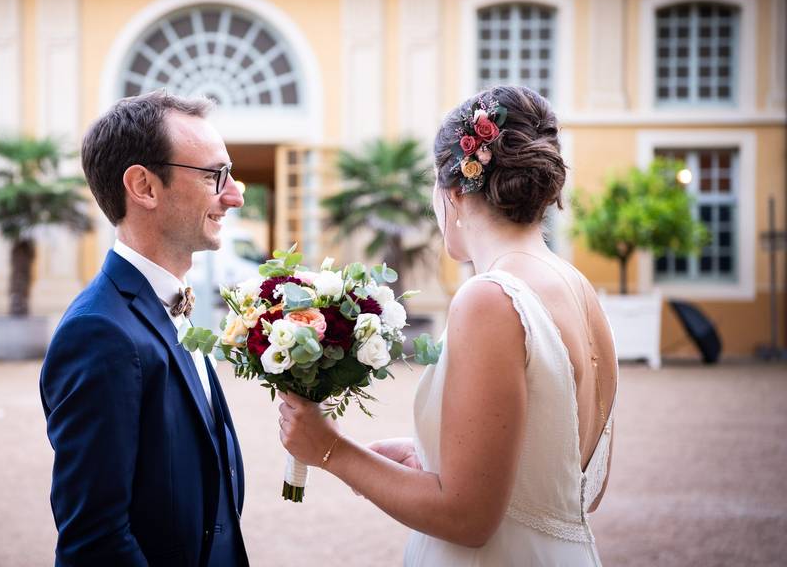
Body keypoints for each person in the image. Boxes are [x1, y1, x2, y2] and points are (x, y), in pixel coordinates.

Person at [278, 85, 618, 566]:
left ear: (453, 191)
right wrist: (431, 458)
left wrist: (329, 449)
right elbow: (576, 487)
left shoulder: (490, 298)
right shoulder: (580, 289)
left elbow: (468, 521)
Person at [40, 91, 248, 567]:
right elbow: (94, 540)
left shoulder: (170, 301)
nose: (235, 194)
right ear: (144, 186)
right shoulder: (99, 333)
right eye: (217, 175)